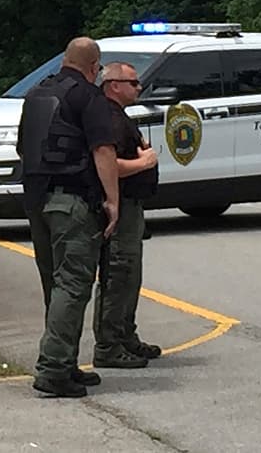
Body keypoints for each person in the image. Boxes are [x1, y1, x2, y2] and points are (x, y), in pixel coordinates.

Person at [16, 36, 121, 398]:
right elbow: (103, 150)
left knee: (56, 286)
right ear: (94, 67)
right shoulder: (88, 97)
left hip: (35, 200)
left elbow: (21, 146)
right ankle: (53, 369)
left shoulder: (35, 94)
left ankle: (66, 360)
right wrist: (112, 201)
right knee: (73, 284)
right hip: (72, 201)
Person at [91, 61, 162, 369]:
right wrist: (144, 163)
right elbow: (108, 164)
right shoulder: (107, 118)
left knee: (130, 275)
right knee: (118, 273)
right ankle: (108, 345)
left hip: (133, 206)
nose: (139, 88)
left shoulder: (118, 116)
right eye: (133, 83)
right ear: (114, 85)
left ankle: (125, 336)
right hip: (120, 206)